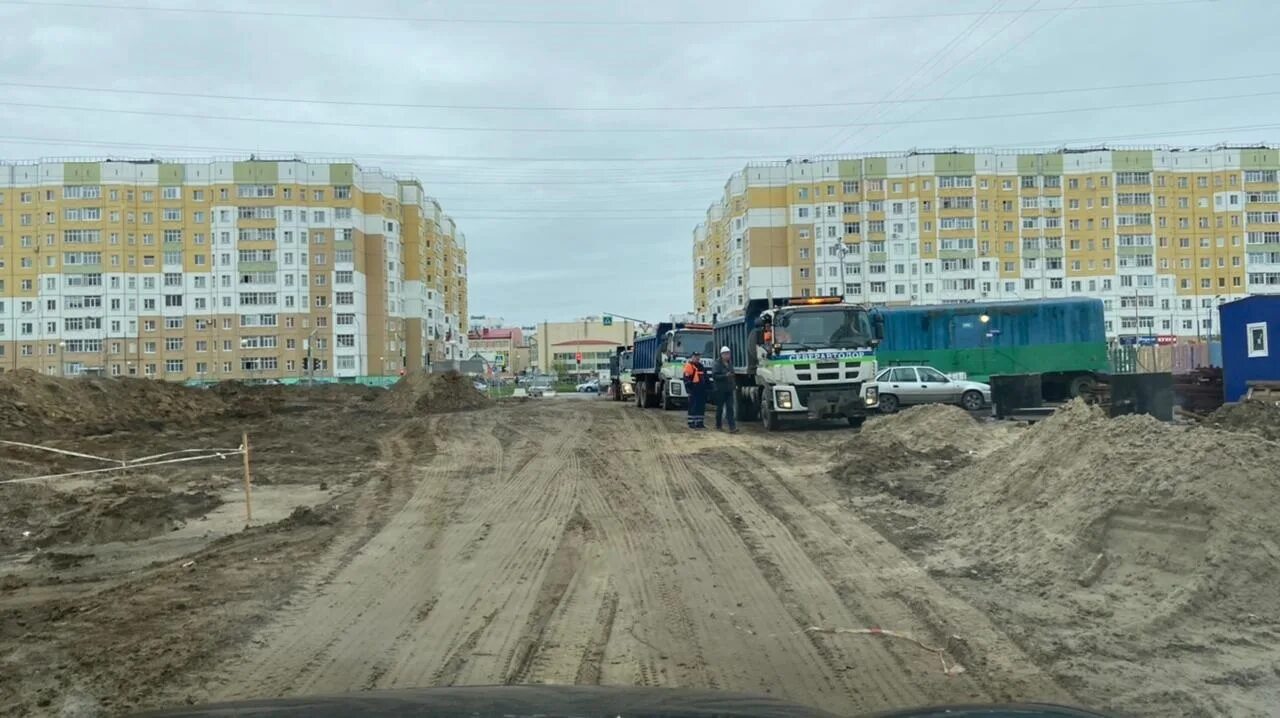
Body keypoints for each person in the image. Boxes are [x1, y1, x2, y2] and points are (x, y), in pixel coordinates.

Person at [712, 346, 738, 433]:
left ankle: (732, 427)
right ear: (722, 354)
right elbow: (715, 376)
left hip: (729, 389)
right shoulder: (717, 364)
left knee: (730, 408)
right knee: (720, 408)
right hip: (720, 390)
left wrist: (734, 385)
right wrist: (725, 376)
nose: (728, 355)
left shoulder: (730, 363)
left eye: (728, 354)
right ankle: (718, 424)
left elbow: (732, 375)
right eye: (726, 354)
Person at [682, 351, 707, 429]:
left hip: (701, 390)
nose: (697, 358)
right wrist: (689, 389)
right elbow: (686, 379)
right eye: (695, 356)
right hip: (693, 389)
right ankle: (691, 422)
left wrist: (709, 387)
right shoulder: (689, 366)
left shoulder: (701, 366)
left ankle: (700, 422)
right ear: (692, 357)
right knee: (693, 406)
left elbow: (705, 377)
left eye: (698, 356)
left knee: (701, 406)